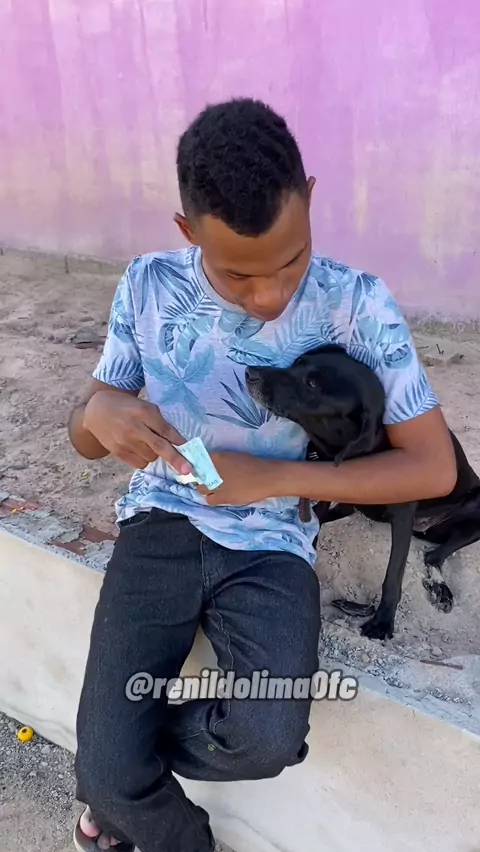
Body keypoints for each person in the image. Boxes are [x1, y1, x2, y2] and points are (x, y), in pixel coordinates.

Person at [69, 98, 456, 852]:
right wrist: (98, 413)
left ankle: (115, 775)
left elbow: (434, 466)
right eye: (238, 274)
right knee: (111, 764)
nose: (270, 297)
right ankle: (141, 800)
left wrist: (272, 479)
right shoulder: (149, 284)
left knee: (266, 736)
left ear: (309, 198)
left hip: (274, 544)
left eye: (292, 260)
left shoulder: (357, 303)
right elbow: (86, 431)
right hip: (161, 523)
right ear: (188, 233)